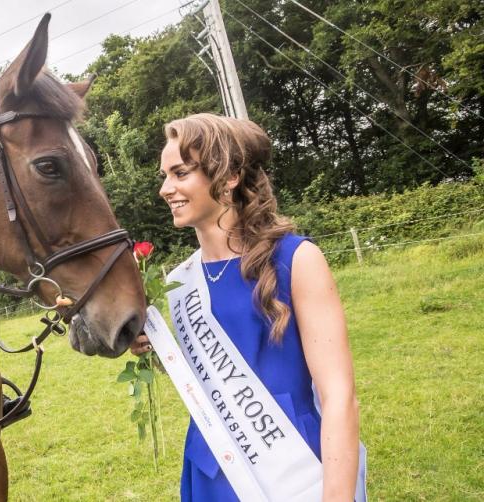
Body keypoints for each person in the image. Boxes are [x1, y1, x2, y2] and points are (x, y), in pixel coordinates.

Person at [132, 113, 366, 500]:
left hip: (289, 462)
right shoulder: (180, 280)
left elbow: (339, 396)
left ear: (228, 176)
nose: (165, 189)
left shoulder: (296, 259)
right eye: (164, 176)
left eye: (180, 173)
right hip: (211, 468)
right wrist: (150, 346)